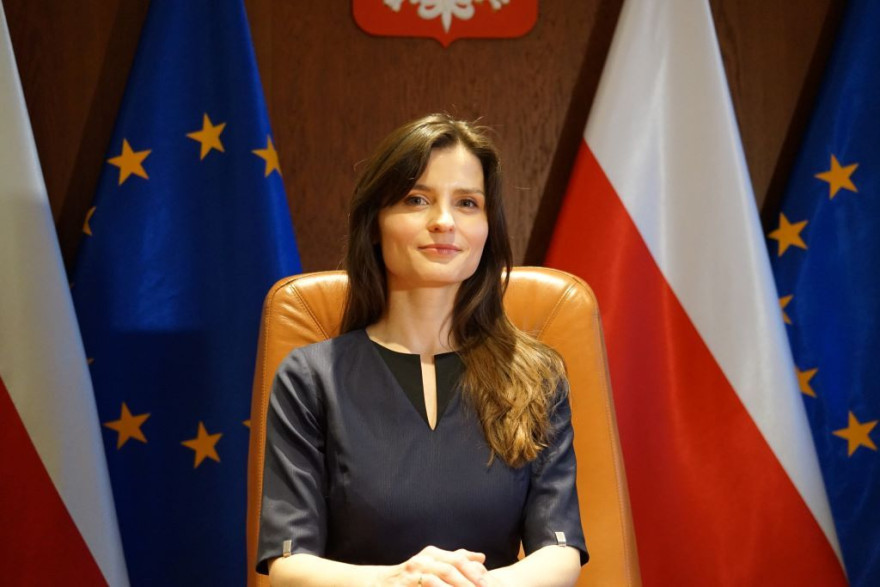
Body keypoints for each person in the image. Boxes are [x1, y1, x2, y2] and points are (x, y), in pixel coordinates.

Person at [257, 114, 588, 586]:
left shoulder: (537, 374)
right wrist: (400, 580)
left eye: (467, 203)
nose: (444, 222)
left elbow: (560, 552)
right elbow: (288, 565)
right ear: (375, 223)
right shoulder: (310, 378)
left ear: (488, 228)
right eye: (417, 199)